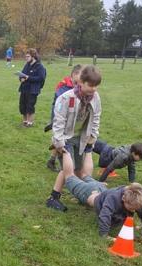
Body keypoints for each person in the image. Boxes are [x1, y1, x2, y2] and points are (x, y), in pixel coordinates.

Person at [59, 148, 142, 240]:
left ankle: (88, 149)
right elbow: (105, 215)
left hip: (100, 188)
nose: (134, 211)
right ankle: (66, 149)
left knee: (84, 176)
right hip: (88, 192)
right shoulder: (113, 199)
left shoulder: (138, 199)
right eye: (132, 208)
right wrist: (104, 235)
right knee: (69, 176)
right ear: (123, 198)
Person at [46, 65, 102, 212]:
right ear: (81, 82)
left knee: (78, 170)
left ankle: (80, 194)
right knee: (67, 169)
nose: (94, 89)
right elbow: (58, 121)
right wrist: (58, 142)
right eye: (90, 85)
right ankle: (53, 198)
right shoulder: (66, 98)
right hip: (65, 138)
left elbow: (96, 117)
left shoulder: (95, 97)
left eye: (96, 85)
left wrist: (93, 136)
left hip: (81, 138)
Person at [44, 64, 83, 171]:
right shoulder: (64, 85)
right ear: (74, 74)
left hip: (71, 118)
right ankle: (63, 165)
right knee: (61, 139)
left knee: (63, 140)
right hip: (60, 118)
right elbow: (60, 102)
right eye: (81, 76)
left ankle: (52, 160)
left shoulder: (78, 86)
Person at [18, 48, 46, 127]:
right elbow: (22, 74)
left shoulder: (39, 66)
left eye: (28, 56)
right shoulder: (27, 65)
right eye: (26, 56)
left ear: (33, 57)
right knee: (22, 105)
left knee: (30, 106)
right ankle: (24, 121)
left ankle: (30, 122)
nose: (26, 58)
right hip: (24, 88)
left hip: (33, 89)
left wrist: (28, 78)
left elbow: (41, 78)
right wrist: (21, 78)